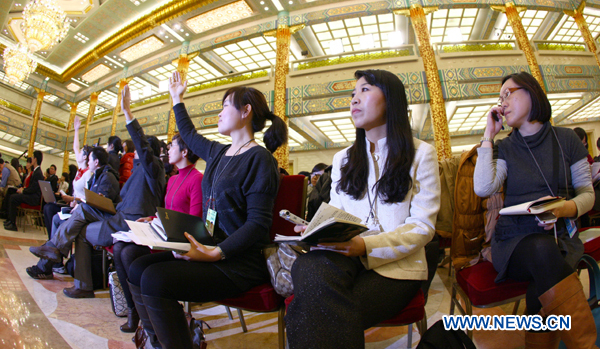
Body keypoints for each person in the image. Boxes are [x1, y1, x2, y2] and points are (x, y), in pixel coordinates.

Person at [125, 71, 286, 348]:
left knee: (153, 278)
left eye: (226, 105)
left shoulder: (260, 160)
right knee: (136, 264)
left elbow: (258, 224)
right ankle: (157, 341)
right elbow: (188, 133)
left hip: (238, 262)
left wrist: (215, 253)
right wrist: (177, 99)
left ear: (246, 111)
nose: (220, 112)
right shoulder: (218, 153)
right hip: (208, 247)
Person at [286, 69, 441, 349]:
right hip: (345, 256)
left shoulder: (421, 154)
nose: (354, 100)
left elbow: (422, 227)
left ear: (391, 98)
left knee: (317, 310)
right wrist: (318, 228)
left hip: (398, 266)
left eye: (365, 90)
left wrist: (365, 246)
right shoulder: (342, 158)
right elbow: (335, 209)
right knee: (308, 266)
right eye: (352, 94)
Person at [473, 72, 596, 348]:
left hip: (558, 236)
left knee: (539, 287)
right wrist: (488, 136)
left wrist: (565, 208)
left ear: (531, 92)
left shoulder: (567, 140)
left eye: (509, 93)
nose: (502, 102)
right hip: (514, 242)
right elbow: (483, 187)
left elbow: (588, 194)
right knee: (542, 252)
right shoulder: (506, 147)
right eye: (499, 97)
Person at [28, 86, 166, 297]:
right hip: (118, 215)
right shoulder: (138, 172)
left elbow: (144, 150)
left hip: (131, 222)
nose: (135, 150)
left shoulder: (153, 168)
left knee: (82, 214)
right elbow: (122, 201)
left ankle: (57, 251)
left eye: (139, 148)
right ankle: (77, 279)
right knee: (82, 223)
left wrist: (128, 112)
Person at [113, 132, 203, 333]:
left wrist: (166, 230)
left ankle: (147, 315)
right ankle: (134, 309)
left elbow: (195, 221)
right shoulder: (172, 180)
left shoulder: (197, 179)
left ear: (185, 151)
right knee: (119, 246)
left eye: (172, 146)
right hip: (165, 237)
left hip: (179, 243)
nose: (168, 150)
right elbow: (169, 214)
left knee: (128, 253)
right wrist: (152, 219)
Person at [26, 147, 121, 283]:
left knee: (79, 212)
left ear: (96, 161)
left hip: (103, 219)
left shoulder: (108, 177)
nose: (88, 162)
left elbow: (104, 205)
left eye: (90, 160)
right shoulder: (98, 175)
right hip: (93, 215)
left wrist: (87, 201)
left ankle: (49, 255)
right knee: (67, 219)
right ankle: (47, 261)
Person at [41, 117, 93, 241]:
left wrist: (73, 199)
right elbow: (75, 147)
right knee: (48, 208)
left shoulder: (88, 174)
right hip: (72, 203)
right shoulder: (80, 169)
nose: (78, 153)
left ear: (86, 157)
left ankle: (53, 243)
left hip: (79, 207)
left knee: (50, 210)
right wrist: (76, 130)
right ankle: (51, 241)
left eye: (81, 152)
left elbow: (89, 198)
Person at [5, 151, 45, 231]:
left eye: (33, 157)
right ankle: (10, 220)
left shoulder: (38, 173)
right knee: (12, 195)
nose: (31, 159)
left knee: (14, 198)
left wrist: (23, 191)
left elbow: (33, 188)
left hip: (34, 198)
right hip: (31, 195)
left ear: (35, 159)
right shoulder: (36, 171)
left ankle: (13, 224)